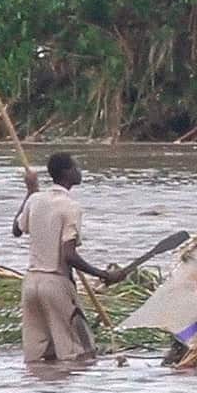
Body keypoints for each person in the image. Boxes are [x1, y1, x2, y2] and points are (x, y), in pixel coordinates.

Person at [14, 153, 126, 363]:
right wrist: (104, 274)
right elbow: (69, 255)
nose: (79, 170)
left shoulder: (36, 199)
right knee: (79, 353)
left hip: (30, 285)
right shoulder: (70, 207)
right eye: (76, 167)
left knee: (38, 357)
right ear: (66, 173)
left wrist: (29, 192)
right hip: (56, 283)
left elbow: (16, 229)